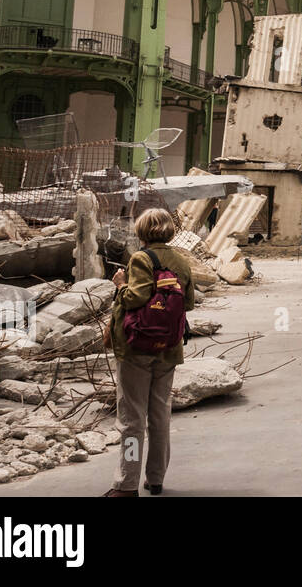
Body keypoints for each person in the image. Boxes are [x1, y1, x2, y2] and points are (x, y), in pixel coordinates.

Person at [103, 208, 196, 496]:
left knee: (132, 419)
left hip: (136, 348)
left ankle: (126, 484)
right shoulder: (181, 260)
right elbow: (189, 303)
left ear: (142, 232)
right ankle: (155, 479)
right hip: (168, 348)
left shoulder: (141, 259)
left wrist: (120, 285)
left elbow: (135, 298)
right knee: (160, 415)